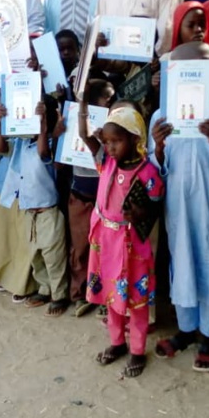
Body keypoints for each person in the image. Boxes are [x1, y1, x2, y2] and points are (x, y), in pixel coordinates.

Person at [150, 41, 209, 372]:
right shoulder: (162, 115)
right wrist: (158, 148)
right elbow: (154, 166)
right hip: (177, 201)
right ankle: (186, 328)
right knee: (181, 257)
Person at [81, 103, 164, 378]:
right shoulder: (106, 162)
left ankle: (138, 351)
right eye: (108, 142)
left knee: (136, 300)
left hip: (131, 246)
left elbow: (155, 205)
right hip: (105, 240)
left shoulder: (147, 171)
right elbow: (85, 138)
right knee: (109, 294)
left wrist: (140, 212)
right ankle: (117, 342)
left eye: (117, 141)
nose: (111, 147)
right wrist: (82, 109)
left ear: (135, 138)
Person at [0, 95, 69, 316]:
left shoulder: (52, 143)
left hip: (48, 211)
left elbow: (43, 153)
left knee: (53, 256)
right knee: (36, 255)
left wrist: (43, 127)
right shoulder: (21, 143)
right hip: (28, 210)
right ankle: (44, 289)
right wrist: (1, 122)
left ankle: (59, 294)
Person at [62, 79, 115, 316]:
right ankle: (81, 293)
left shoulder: (113, 128)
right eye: (107, 97)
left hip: (106, 201)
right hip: (81, 195)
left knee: (106, 249)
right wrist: (80, 105)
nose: (111, 101)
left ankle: (106, 296)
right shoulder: (76, 118)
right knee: (81, 247)